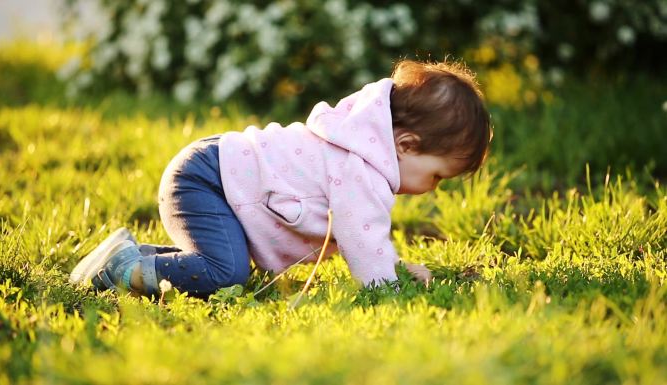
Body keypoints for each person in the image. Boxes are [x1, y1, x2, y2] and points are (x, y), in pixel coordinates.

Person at [69, 59, 492, 298]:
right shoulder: (360, 168)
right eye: (437, 175)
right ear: (407, 144)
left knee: (224, 262)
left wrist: (394, 265)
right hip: (208, 179)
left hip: (214, 169)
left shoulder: (357, 151)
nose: (432, 187)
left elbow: (362, 236)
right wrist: (388, 287)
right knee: (225, 274)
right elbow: (361, 242)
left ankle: (128, 251)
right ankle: (123, 271)